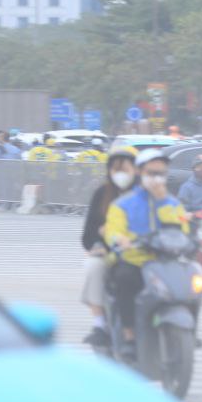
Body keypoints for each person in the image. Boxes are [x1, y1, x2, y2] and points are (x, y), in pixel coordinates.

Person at [102, 148, 190, 361]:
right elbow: (113, 231)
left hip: (165, 261)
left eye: (161, 173)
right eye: (152, 172)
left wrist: (163, 203)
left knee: (191, 282)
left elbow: (182, 231)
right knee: (125, 279)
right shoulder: (123, 204)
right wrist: (119, 240)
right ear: (140, 172)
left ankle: (186, 331)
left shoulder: (173, 204)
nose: (157, 178)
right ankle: (129, 336)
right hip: (134, 260)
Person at [79, 146, 137, 349]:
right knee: (93, 267)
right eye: (116, 169)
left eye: (126, 169)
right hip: (108, 252)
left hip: (142, 251)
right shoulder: (101, 194)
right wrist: (98, 244)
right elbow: (88, 234)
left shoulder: (145, 194)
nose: (121, 174)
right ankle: (99, 324)